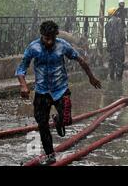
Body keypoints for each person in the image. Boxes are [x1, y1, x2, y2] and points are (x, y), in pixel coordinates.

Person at [16, 21, 101, 165]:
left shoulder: (63, 45)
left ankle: (58, 120)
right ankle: (50, 155)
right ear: (41, 35)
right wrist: (23, 86)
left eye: (51, 38)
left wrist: (91, 77)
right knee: (42, 124)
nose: (48, 41)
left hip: (60, 89)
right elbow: (21, 69)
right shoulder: (33, 47)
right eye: (45, 38)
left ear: (56, 36)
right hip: (42, 91)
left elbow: (81, 60)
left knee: (67, 119)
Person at [105, 8, 126, 81]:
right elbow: (122, 34)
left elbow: (107, 36)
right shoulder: (119, 21)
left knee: (111, 62)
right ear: (114, 13)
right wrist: (123, 42)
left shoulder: (107, 23)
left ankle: (111, 77)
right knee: (120, 62)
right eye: (116, 11)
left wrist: (109, 45)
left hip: (111, 46)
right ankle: (118, 79)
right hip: (119, 46)